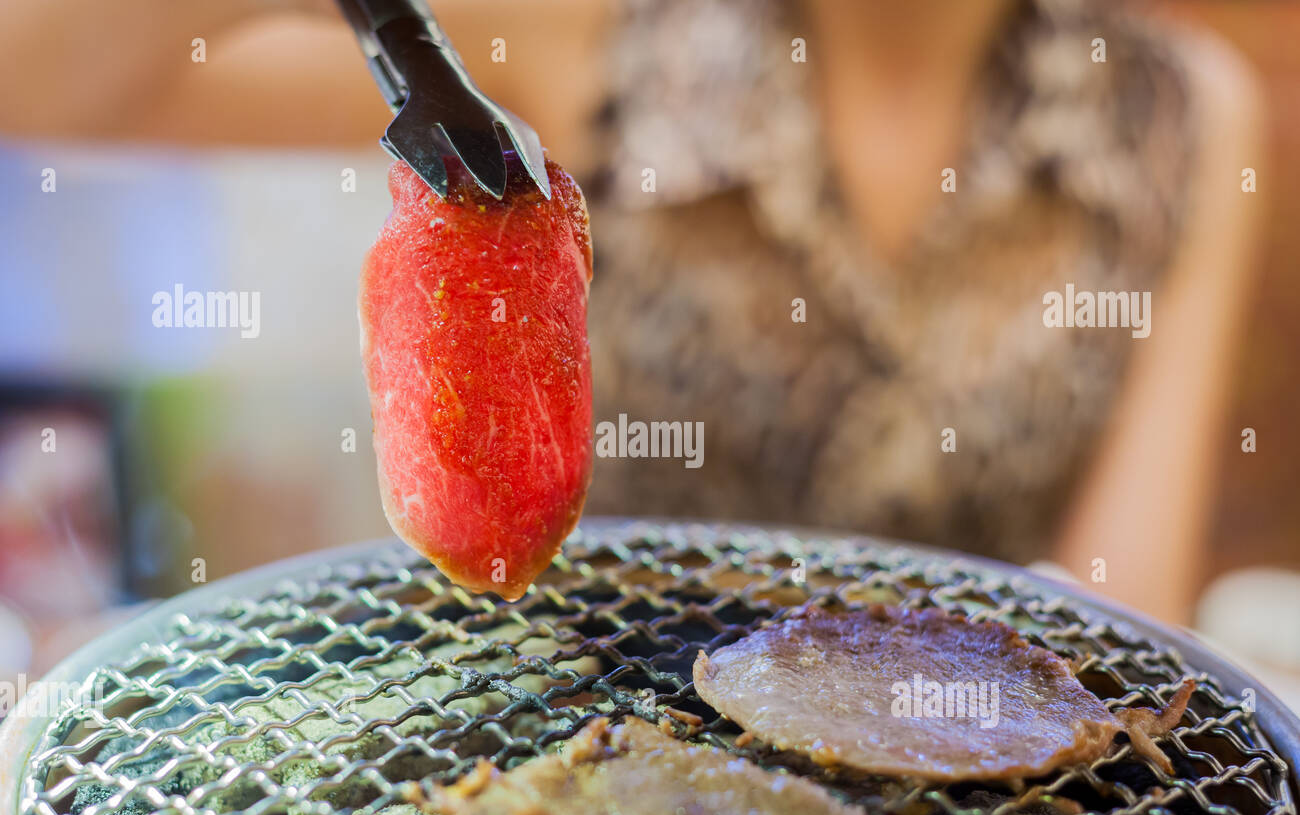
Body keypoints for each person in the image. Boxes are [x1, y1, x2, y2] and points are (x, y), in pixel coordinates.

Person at [0, 0, 1264, 624]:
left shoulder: (1187, 117)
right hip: (584, 750)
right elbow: (40, 78)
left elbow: (1120, 603)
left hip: (954, 790)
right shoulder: (596, 24)